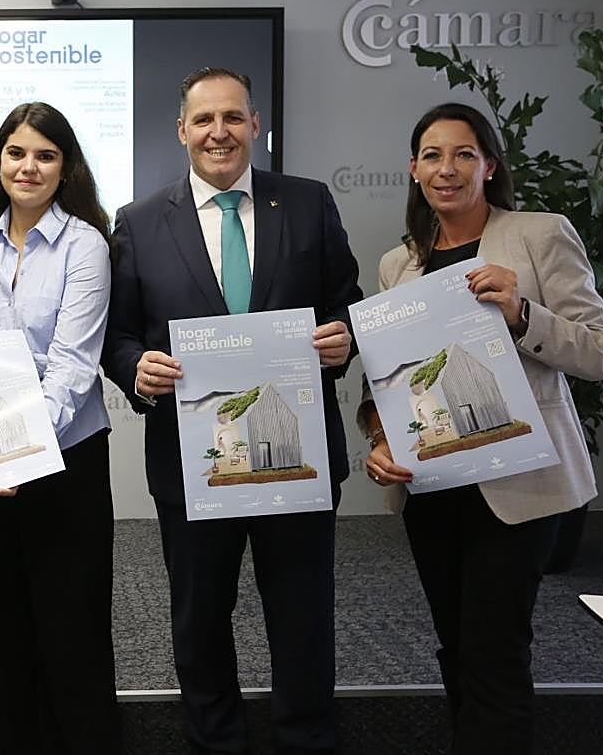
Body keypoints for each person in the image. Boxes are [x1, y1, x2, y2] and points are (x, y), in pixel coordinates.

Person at [102, 66, 362, 755]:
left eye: (234, 117)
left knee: (303, 616)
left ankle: (306, 739)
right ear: (182, 130)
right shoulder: (136, 223)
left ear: (256, 125)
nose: (220, 132)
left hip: (296, 455)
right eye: (204, 120)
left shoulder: (307, 204)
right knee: (200, 619)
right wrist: (137, 368)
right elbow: (119, 337)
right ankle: (214, 742)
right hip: (194, 464)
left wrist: (344, 338)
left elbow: (346, 304)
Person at [359, 102, 603, 754]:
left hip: (521, 487)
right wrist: (381, 439)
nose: (446, 169)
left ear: (489, 165)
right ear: (414, 171)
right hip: (434, 485)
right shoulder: (400, 265)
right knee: (456, 642)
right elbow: (392, 382)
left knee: (496, 647)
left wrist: (521, 311)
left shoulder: (539, 234)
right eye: (431, 156)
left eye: (462, 154)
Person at [0, 102, 120, 754]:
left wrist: (16, 456)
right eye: (17, 153)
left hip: (63, 462)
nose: (29, 166)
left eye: (45, 155)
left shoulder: (86, 244)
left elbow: (73, 368)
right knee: (4, 629)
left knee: (71, 633)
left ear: (65, 168)